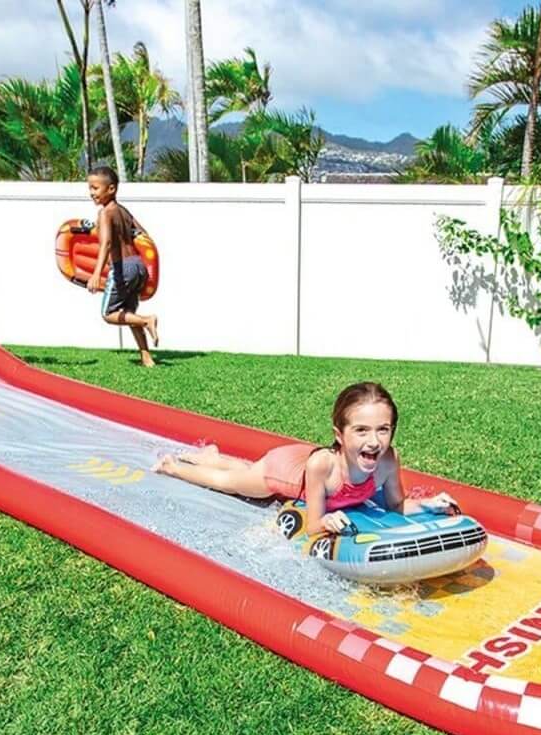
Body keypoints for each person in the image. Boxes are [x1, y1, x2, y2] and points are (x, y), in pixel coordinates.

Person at [154, 382, 459, 536]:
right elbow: (313, 525)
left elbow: (396, 505)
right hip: (283, 470)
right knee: (232, 483)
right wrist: (326, 520)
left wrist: (429, 504)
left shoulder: (389, 460)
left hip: (300, 458)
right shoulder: (323, 467)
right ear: (339, 435)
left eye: (383, 429)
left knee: (247, 470)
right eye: (361, 430)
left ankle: (212, 456)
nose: (374, 441)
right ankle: (174, 466)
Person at [86, 165, 159, 367]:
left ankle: (147, 320)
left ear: (111, 189)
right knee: (128, 313)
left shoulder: (105, 213)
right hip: (138, 266)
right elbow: (143, 234)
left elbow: (107, 244)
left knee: (108, 314)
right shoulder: (123, 212)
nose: (91, 193)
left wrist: (96, 274)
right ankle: (146, 357)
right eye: (90, 188)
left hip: (121, 268)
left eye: (95, 188)